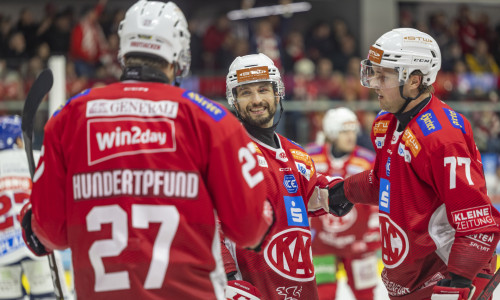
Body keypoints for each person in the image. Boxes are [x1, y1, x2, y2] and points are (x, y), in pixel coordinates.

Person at [20, 1, 273, 299]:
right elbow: (249, 229)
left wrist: (29, 221)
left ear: (124, 49)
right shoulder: (210, 118)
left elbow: (51, 233)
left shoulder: (68, 117)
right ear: (179, 52)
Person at [328, 28, 500, 300]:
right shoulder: (386, 123)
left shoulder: (443, 136)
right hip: (409, 280)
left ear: (414, 81)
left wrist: (459, 280)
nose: (373, 83)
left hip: (444, 277)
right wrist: (345, 191)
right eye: (373, 72)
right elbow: (386, 181)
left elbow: (476, 221)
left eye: (383, 76)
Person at [221, 53, 342, 299]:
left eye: (263, 90)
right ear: (233, 99)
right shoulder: (225, 150)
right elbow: (208, 224)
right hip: (251, 290)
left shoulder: (296, 153)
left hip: (302, 288)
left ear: (277, 93)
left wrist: (348, 189)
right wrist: (229, 277)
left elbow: (313, 194)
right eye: (245, 92)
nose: (256, 100)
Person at [306, 108, 380, 300]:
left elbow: (378, 201)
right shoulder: (311, 157)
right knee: (322, 294)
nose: (350, 136)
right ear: (331, 133)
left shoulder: (367, 160)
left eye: (353, 131)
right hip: (321, 243)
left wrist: (373, 235)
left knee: (365, 295)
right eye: (344, 131)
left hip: (358, 243)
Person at [0, 115, 70, 299]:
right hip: (35, 242)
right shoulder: (37, 157)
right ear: (18, 139)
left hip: (1, 253)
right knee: (48, 296)